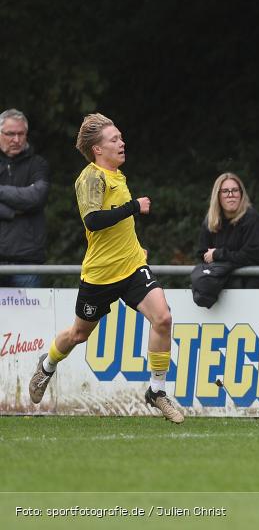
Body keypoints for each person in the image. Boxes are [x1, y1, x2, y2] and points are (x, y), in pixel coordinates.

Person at [29, 113, 182, 423]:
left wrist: (136, 246)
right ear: (98, 149)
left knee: (163, 318)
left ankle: (157, 391)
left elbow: (119, 227)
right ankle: (47, 365)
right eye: (114, 139)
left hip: (132, 267)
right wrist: (134, 206)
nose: (122, 143)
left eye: (120, 137)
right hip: (100, 276)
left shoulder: (117, 175)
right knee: (78, 335)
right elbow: (94, 221)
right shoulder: (91, 177)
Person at [195, 172, 259, 292]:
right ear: (217, 195)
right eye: (225, 191)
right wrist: (227, 259)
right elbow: (203, 254)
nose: (231, 195)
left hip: (254, 291)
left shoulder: (253, 220)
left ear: (241, 194)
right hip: (220, 291)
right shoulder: (210, 221)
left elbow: (251, 257)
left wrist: (218, 254)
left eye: (235, 190)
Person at [0, 109, 49, 288]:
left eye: (21, 134)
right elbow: (29, 199)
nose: (16, 139)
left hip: (28, 260)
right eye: (10, 134)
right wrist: (14, 210)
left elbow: (36, 198)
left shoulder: (38, 164)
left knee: (31, 309)